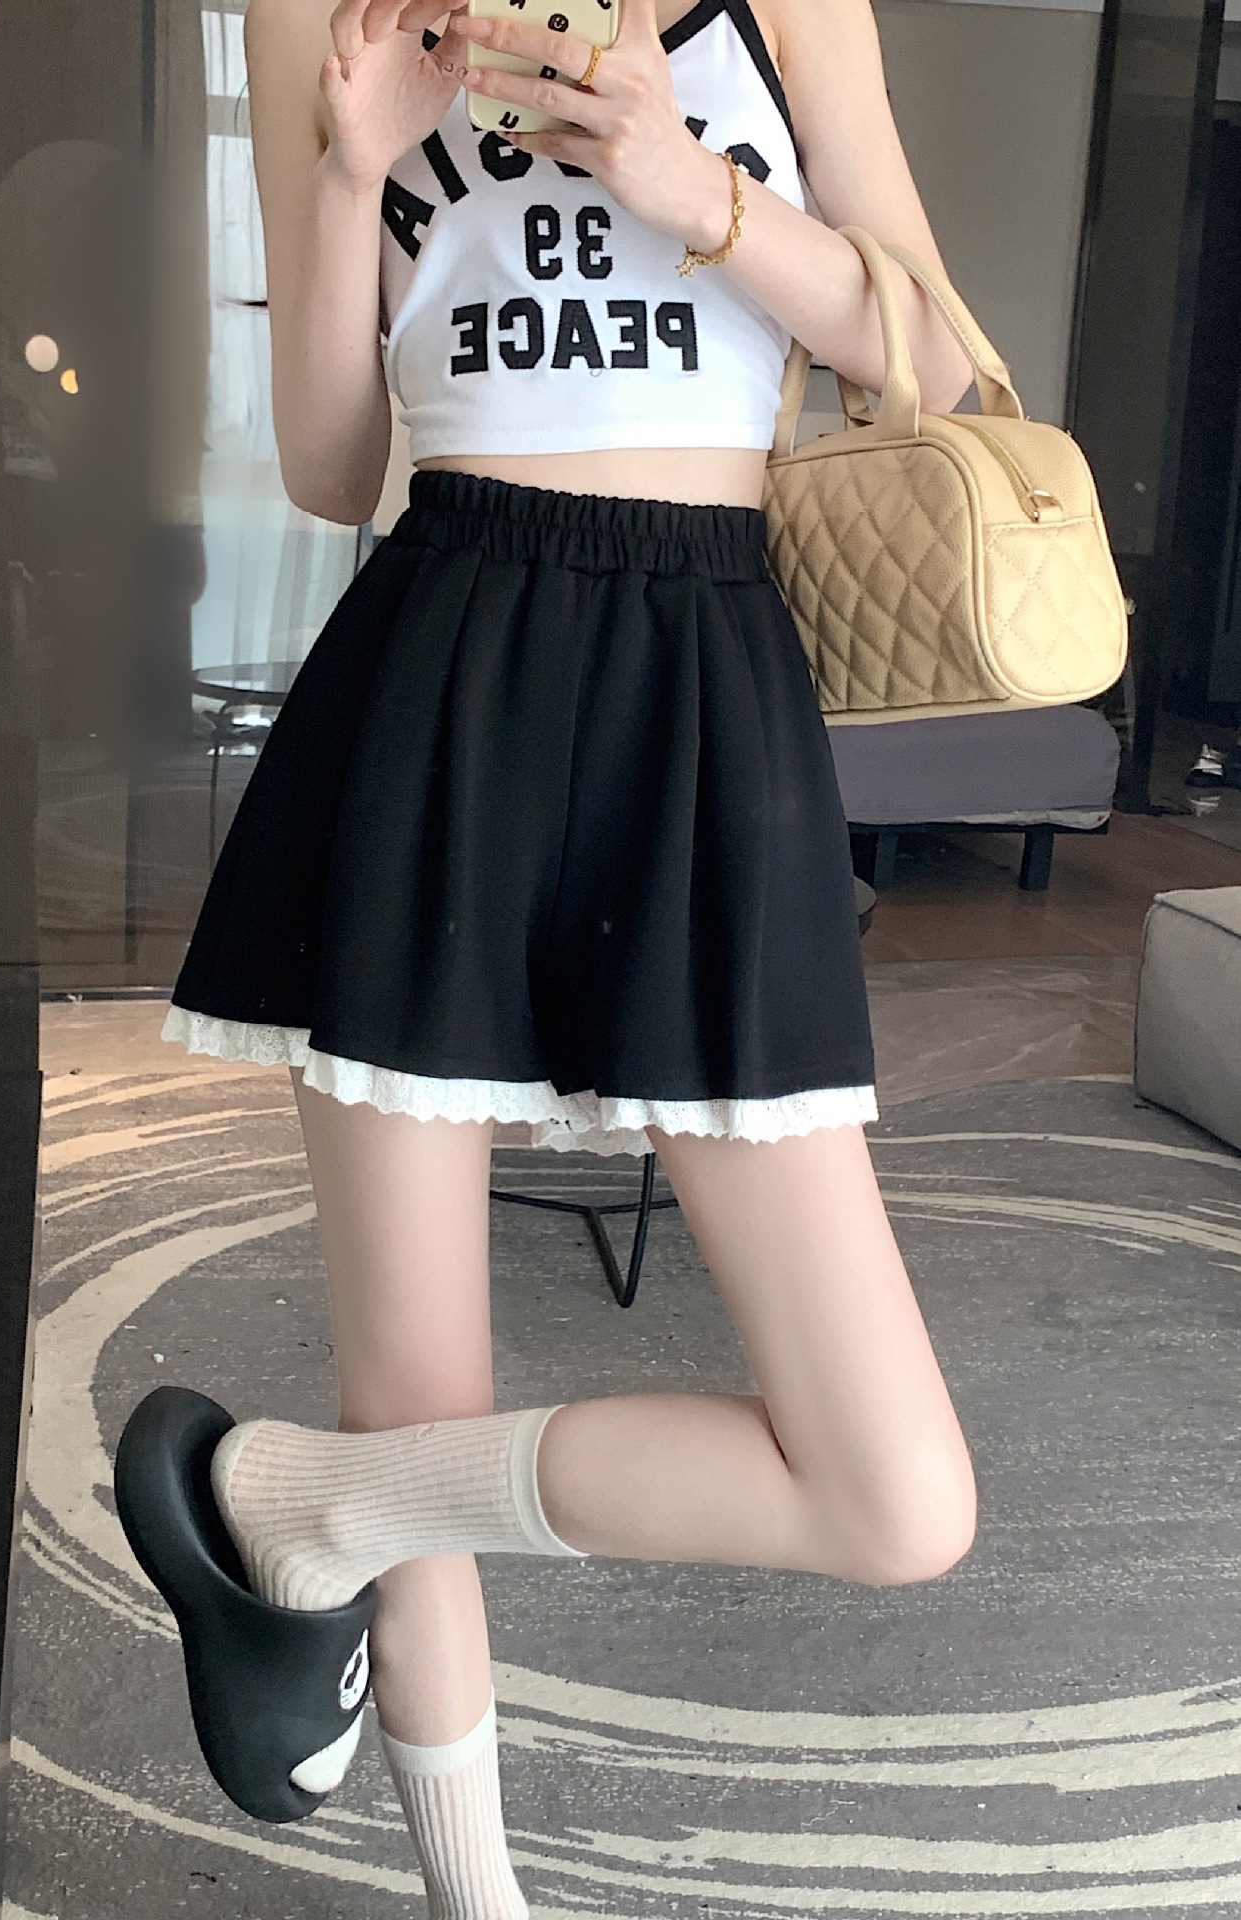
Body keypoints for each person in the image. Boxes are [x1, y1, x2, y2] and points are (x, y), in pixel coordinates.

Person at [126, 0, 981, 1910]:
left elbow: (928, 354)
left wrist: (689, 186)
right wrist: (352, 170)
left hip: (709, 694)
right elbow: (333, 467)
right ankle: (473, 1895)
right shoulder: (321, 14)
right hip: (437, 677)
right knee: (415, 1385)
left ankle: (296, 1506)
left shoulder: (790, 10)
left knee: (897, 1496)